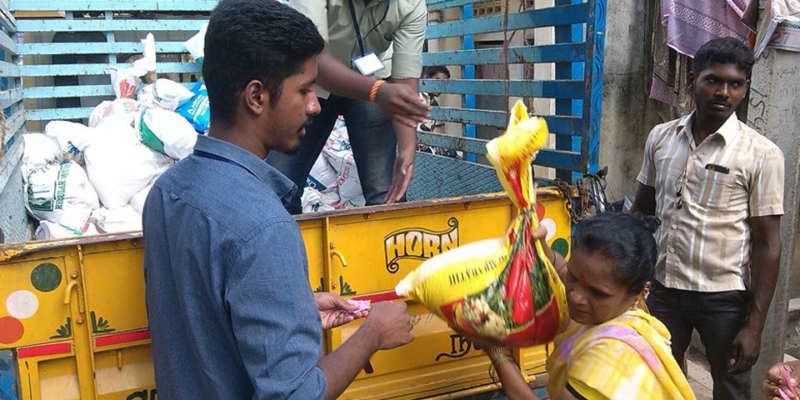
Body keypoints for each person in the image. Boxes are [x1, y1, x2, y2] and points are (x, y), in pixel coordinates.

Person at [142, 1, 413, 399]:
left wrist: (294, 308)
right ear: (256, 97)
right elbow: (294, 395)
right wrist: (371, 335)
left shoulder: (166, 192)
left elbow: (207, 320)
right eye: (304, 89)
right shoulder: (265, 227)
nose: (315, 105)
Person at [630, 37, 785, 400]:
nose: (724, 92)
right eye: (713, 80)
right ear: (693, 80)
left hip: (724, 299)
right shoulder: (661, 138)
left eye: (735, 84)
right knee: (658, 383)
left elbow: (768, 244)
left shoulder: (762, 154)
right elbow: (641, 212)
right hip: (664, 290)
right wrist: (630, 285)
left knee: (730, 388)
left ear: (745, 88)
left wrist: (755, 326)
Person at [480, 212, 696, 400]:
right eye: (574, 278)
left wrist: (497, 350)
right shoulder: (621, 309)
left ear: (639, 292)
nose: (576, 298)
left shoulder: (611, 358)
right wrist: (541, 246)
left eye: (597, 293)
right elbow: (563, 269)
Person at [267, 0, 431, 214]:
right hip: (310, 81)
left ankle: (389, 243)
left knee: (386, 195)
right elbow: (311, 55)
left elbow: (405, 80)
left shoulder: (411, 4)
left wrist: (408, 148)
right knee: (279, 187)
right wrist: (378, 92)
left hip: (372, 79)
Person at [418, 65, 450, 133]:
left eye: (444, 84)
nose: (440, 86)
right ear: (426, 77)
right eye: (437, 81)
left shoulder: (434, 105)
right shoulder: (415, 96)